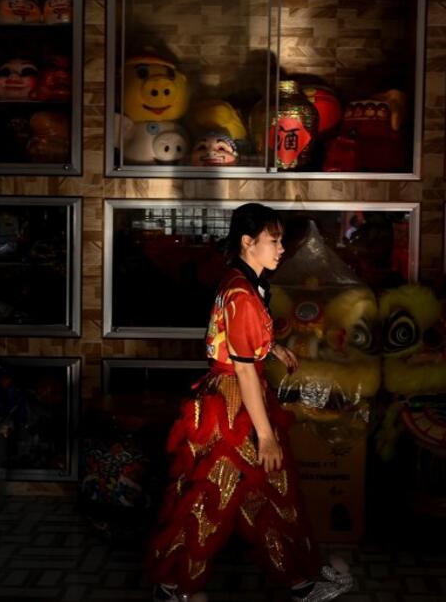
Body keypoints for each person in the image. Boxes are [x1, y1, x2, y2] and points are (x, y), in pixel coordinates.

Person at [147, 203, 353, 602]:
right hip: (234, 404)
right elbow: (242, 369)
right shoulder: (242, 291)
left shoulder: (239, 280)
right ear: (247, 242)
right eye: (273, 241)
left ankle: (297, 577)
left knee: (254, 491)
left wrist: (272, 347)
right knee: (223, 492)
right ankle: (176, 584)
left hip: (232, 396)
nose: (280, 249)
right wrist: (265, 436)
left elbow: (241, 338)